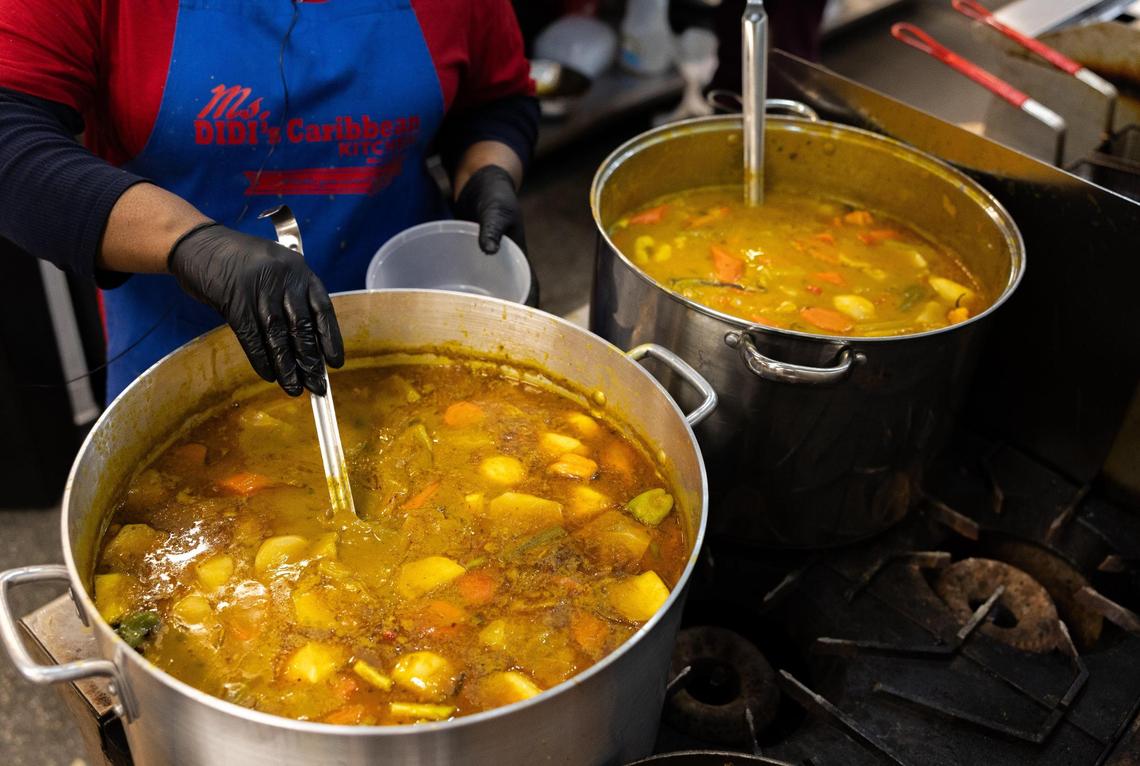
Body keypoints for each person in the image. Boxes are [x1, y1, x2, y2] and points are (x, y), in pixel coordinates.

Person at [0, 0, 539, 401]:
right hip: (184, 360)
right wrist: (192, 245)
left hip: (418, 338)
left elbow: (494, 99)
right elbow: (11, 137)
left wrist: (487, 173)